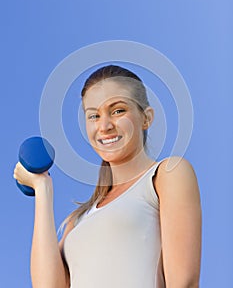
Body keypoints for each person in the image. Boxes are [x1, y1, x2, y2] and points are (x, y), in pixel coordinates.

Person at [14, 64, 202, 288]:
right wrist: (42, 188)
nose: (104, 126)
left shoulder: (167, 174)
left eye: (118, 110)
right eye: (93, 115)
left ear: (146, 118)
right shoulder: (79, 220)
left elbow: (184, 283)